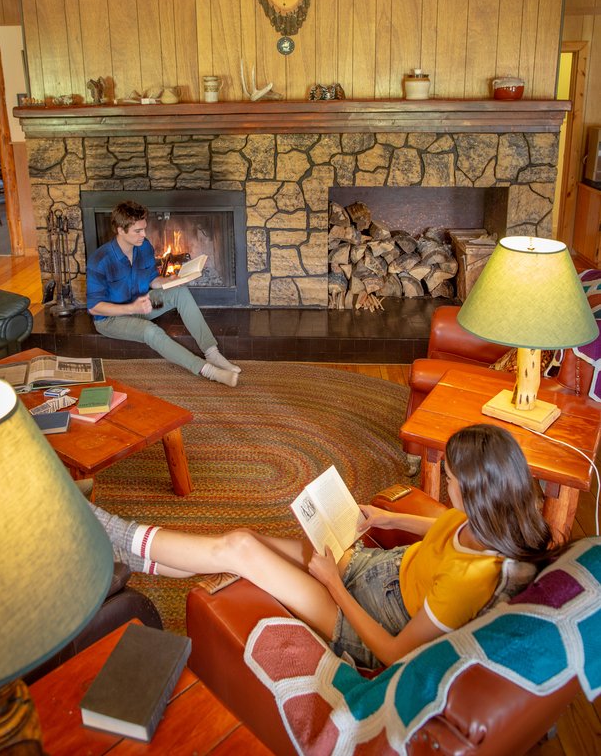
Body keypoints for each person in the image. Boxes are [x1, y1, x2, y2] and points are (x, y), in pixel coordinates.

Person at [90, 423, 556, 669]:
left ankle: (112, 534)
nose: (444, 488)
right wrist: (387, 516)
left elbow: (394, 654)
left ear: (478, 491)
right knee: (249, 540)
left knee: (238, 548)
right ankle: (132, 557)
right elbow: (439, 527)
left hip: (368, 621)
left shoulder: (468, 580)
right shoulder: (485, 519)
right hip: (379, 569)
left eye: (450, 481)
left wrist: (333, 585)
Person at [86, 200, 241, 387]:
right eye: (138, 231)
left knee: (181, 292)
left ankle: (212, 353)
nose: (144, 234)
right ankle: (208, 371)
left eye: (144, 228)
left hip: (141, 303)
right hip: (110, 319)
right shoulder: (100, 260)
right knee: (151, 331)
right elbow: (94, 308)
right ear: (120, 230)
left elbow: (152, 279)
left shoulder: (144, 247)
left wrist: (172, 280)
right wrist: (131, 308)